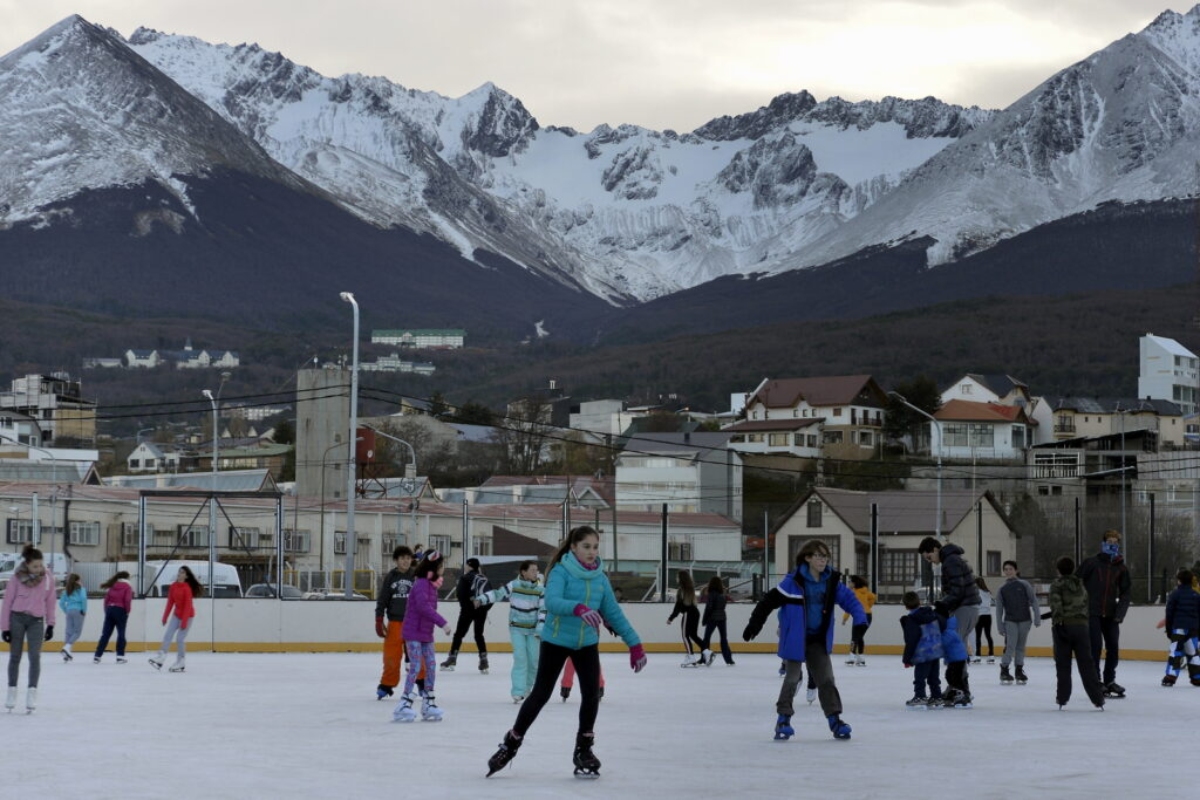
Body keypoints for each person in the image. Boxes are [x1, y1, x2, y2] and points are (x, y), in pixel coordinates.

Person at [487, 525, 645, 779]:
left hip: (586, 644)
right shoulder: (561, 571)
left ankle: (584, 749)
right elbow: (552, 601)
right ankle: (511, 743)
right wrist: (579, 608)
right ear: (573, 547)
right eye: (586, 547)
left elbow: (614, 614)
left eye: (595, 547)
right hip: (556, 640)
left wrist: (635, 645)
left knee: (591, 695)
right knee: (540, 694)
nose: (592, 552)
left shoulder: (600, 578)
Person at [743, 539, 865, 741]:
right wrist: (755, 624)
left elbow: (851, 601)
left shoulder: (831, 582)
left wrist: (860, 621)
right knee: (792, 678)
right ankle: (783, 719)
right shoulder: (793, 582)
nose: (823, 560)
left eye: (825, 556)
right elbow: (768, 602)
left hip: (817, 640)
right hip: (795, 639)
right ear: (807, 558)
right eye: (818, 555)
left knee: (826, 679)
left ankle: (835, 720)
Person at [918, 537, 981, 703]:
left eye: (929, 557)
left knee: (955, 647)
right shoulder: (952, 559)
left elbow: (957, 590)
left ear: (935, 549)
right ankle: (958, 687)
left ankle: (959, 688)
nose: (930, 562)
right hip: (967, 607)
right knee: (958, 646)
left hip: (964, 607)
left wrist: (942, 605)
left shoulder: (950, 561)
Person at [391, 551, 452, 722]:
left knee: (431, 666)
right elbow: (424, 608)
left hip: (426, 633)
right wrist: (443, 623)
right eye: (441, 566)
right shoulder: (421, 584)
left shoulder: (431, 586)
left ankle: (428, 703)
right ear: (434, 568)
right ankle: (404, 704)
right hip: (413, 633)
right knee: (416, 666)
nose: (443, 569)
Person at [475, 560, 546, 702]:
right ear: (523, 572)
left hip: (534, 631)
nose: (535, 573)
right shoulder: (514, 585)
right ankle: (518, 691)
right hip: (517, 628)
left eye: (536, 570)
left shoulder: (541, 589)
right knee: (520, 659)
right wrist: (482, 599)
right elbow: (498, 594)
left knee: (533, 661)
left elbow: (543, 610)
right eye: (532, 570)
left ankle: (527, 688)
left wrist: (540, 628)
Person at [1076, 529, 1131, 698]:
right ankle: (1096, 682)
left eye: (1115, 542)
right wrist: (1079, 605)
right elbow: (1076, 582)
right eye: (1109, 541)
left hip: (1111, 614)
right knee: (1095, 648)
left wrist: (1120, 613)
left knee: (1113, 648)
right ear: (1103, 543)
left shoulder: (1121, 568)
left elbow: (1126, 592)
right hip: (1091, 612)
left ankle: (1109, 681)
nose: (1112, 544)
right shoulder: (1091, 563)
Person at [1, 545, 56, 713]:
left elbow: (51, 601)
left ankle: (32, 692)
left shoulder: (47, 578)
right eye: (35, 566)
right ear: (27, 564)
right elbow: (7, 602)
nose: (39, 569)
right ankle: (11, 691)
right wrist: (5, 627)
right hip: (16, 618)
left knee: (35, 656)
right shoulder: (16, 578)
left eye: (41, 565)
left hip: (36, 621)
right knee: (15, 656)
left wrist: (51, 624)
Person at [1048, 556, 1106, 710]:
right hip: (1081, 627)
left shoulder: (1057, 584)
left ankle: (1062, 698)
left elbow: (1056, 604)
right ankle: (1097, 699)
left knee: (1063, 665)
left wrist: (1058, 622)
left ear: (1058, 570)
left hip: (1064, 626)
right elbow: (1085, 603)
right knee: (1087, 664)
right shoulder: (1080, 584)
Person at [374, 545, 422, 700]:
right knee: (391, 657)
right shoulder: (391, 577)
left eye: (408, 558)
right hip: (395, 623)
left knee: (417, 656)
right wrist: (379, 618)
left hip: (413, 623)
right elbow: (383, 599)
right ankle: (386, 685)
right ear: (396, 560)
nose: (405, 561)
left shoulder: (416, 576)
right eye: (402, 558)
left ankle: (422, 683)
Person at [899, 590, 950, 708]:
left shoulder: (912, 619)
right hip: (936, 650)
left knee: (920, 676)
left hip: (922, 653)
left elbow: (911, 640)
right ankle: (936, 697)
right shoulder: (931, 614)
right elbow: (943, 624)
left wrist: (907, 659)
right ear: (919, 602)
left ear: (906, 606)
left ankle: (920, 696)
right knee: (934, 676)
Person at [442, 557, 492, 673]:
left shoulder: (465, 578)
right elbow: (491, 596)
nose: (465, 567)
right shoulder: (484, 578)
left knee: (459, 635)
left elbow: (460, 594)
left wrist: (467, 608)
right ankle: (484, 660)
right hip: (481, 610)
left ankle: (452, 658)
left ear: (470, 566)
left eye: (466, 565)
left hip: (467, 611)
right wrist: (484, 608)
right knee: (479, 635)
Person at [149, 565, 202, 672]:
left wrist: (184, 621)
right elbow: (170, 603)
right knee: (168, 635)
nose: (179, 574)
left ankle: (181, 662)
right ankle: (161, 657)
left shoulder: (187, 589)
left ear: (186, 576)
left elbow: (188, 606)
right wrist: (165, 617)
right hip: (176, 615)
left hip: (187, 616)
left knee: (180, 639)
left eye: (182, 572)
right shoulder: (173, 586)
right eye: (179, 572)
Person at [996, 560, 1041, 685]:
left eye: (1011, 569)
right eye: (1006, 569)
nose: (1008, 571)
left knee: (1020, 647)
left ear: (1016, 570)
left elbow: (1034, 601)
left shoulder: (1024, 584)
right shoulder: (1002, 589)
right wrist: (1000, 626)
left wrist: (1037, 617)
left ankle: (1019, 670)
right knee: (1010, 646)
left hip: (1025, 620)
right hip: (1010, 621)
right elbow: (999, 609)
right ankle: (1004, 670)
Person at [1161, 568, 1200, 687]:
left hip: (1179, 628)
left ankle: (1170, 677)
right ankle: (1197, 677)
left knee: (1175, 651)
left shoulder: (1175, 594)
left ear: (1179, 581)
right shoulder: (1196, 595)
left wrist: (1168, 629)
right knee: (1193, 653)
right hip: (1193, 629)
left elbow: (1169, 613)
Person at [667, 570, 706, 666]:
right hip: (695, 613)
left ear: (680, 578)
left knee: (685, 636)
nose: (676, 578)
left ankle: (691, 656)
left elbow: (678, 606)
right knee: (693, 635)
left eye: (677, 577)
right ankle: (707, 651)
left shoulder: (681, 590)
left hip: (688, 614)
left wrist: (671, 618)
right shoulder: (690, 588)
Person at [93, 570, 133, 665]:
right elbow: (127, 600)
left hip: (110, 610)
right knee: (121, 633)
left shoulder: (112, 585)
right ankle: (120, 656)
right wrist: (127, 611)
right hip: (121, 610)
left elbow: (106, 600)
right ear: (126, 578)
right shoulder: (128, 586)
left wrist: (107, 611)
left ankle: (97, 656)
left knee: (105, 634)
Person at [700, 576, 734, 666]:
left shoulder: (712, 594)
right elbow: (723, 606)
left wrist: (704, 620)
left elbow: (709, 608)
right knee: (723, 639)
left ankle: (704, 658)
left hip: (712, 618)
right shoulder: (722, 594)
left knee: (706, 638)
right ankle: (729, 659)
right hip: (722, 618)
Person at [842, 575, 876, 666]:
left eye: (850, 582)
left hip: (859, 616)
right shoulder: (866, 591)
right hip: (868, 616)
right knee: (859, 637)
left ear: (854, 583)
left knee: (854, 638)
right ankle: (861, 658)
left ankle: (851, 657)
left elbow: (849, 607)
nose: (848, 583)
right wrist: (868, 606)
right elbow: (873, 597)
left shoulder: (852, 593)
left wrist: (844, 619)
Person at [58, 572, 88, 662]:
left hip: (69, 611)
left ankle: (66, 654)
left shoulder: (66, 590)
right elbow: (83, 599)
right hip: (78, 610)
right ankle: (66, 647)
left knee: (68, 632)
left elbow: (61, 603)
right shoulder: (81, 589)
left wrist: (66, 611)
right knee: (77, 632)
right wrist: (84, 610)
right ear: (77, 580)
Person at [973, 577, 995, 664]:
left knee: (978, 636)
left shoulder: (976, 592)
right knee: (988, 635)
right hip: (988, 616)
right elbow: (992, 602)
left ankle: (978, 656)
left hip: (979, 615)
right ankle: (991, 655)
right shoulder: (988, 592)